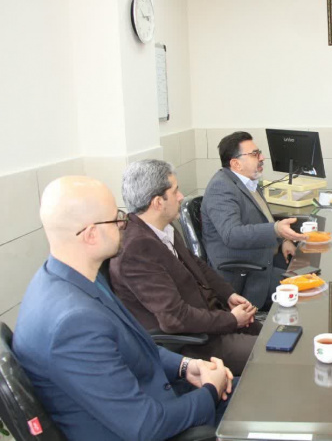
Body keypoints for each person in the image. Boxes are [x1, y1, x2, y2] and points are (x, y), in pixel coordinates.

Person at [12, 176, 233, 441]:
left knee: (254, 390)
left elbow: (136, 346)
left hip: (157, 398)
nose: (123, 224)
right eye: (115, 218)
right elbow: (146, 426)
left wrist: (187, 366)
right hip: (152, 426)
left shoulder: (71, 278)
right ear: (91, 234)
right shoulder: (73, 323)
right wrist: (210, 392)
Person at [109, 160, 261, 376]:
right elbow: (174, 318)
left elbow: (196, 264)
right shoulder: (136, 249)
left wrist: (228, 294)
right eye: (175, 191)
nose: (181, 196)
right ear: (157, 202)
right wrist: (232, 320)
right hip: (193, 343)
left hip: (210, 320)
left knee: (277, 335)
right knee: (273, 353)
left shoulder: (162, 227)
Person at [202, 131, 307, 309]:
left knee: (313, 270)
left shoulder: (249, 182)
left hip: (266, 259)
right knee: (309, 290)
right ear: (236, 163)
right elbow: (232, 234)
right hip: (247, 275)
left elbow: (262, 220)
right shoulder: (221, 187)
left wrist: (283, 240)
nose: (262, 158)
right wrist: (276, 230)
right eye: (255, 154)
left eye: (259, 153)